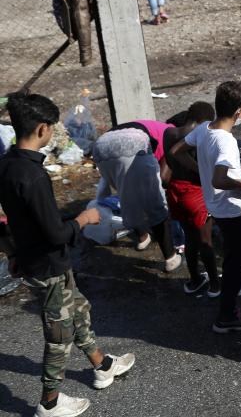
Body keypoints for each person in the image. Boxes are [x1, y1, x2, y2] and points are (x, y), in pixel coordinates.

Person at [0, 92, 135, 417]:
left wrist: (10, 252)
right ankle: (49, 402)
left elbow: (9, 220)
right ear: (43, 129)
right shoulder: (33, 176)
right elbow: (56, 233)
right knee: (59, 337)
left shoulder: (6, 164)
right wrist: (84, 219)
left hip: (32, 257)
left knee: (78, 311)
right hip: (48, 265)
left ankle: (102, 365)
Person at [172, 80, 241, 334]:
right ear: (239, 112)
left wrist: (200, 171)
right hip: (233, 209)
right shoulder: (226, 141)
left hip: (217, 206)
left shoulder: (203, 129)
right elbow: (219, 179)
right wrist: (240, 184)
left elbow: (178, 150)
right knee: (236, 262)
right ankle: (226, 314)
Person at [92, 127, 182, 273]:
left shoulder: (154, 128)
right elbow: (164, 176)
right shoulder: (172, 135)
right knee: (156, 204)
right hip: (133, 146)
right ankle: (171, 258)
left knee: (126, 195)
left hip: (100, 149)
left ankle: (142, 238)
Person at [163, 102, 221, 296]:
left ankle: (195, 279)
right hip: (195, 193)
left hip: (175, 192)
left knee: (190, 238)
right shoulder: (200, 138)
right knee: (206, 241)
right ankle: (214, 284)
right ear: (204, 121)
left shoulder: (168, 134)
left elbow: (169, 165)